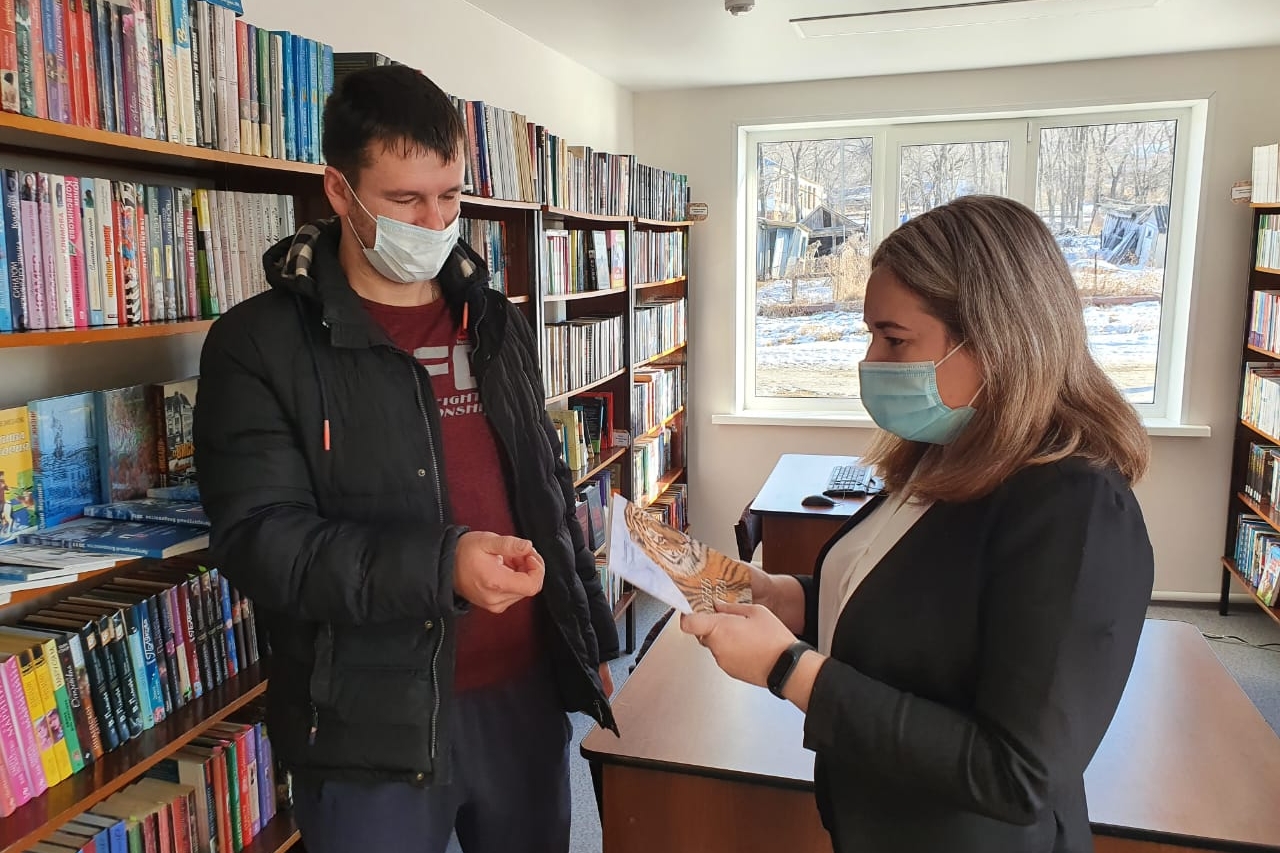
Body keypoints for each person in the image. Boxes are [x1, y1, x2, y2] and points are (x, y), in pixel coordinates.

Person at [193, 64, 619, 853]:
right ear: (339, 190)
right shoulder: (257, 345)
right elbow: (263, 541)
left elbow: (547, 485)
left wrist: (587, 635)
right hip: (366, 728)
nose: (435, 221)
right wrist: (442, 564)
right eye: (405, 200)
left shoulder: (493, 319)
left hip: (522, 697)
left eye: (450, 196)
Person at [681, 194, 1155, 853]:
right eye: (871, 334)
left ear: (994, 340)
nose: (870, 360)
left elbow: (1017, 772)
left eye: (894, 338)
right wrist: (789, 598)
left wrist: (789, 668)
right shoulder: (946, 451)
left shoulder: (1076, 509)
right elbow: (923, 611)